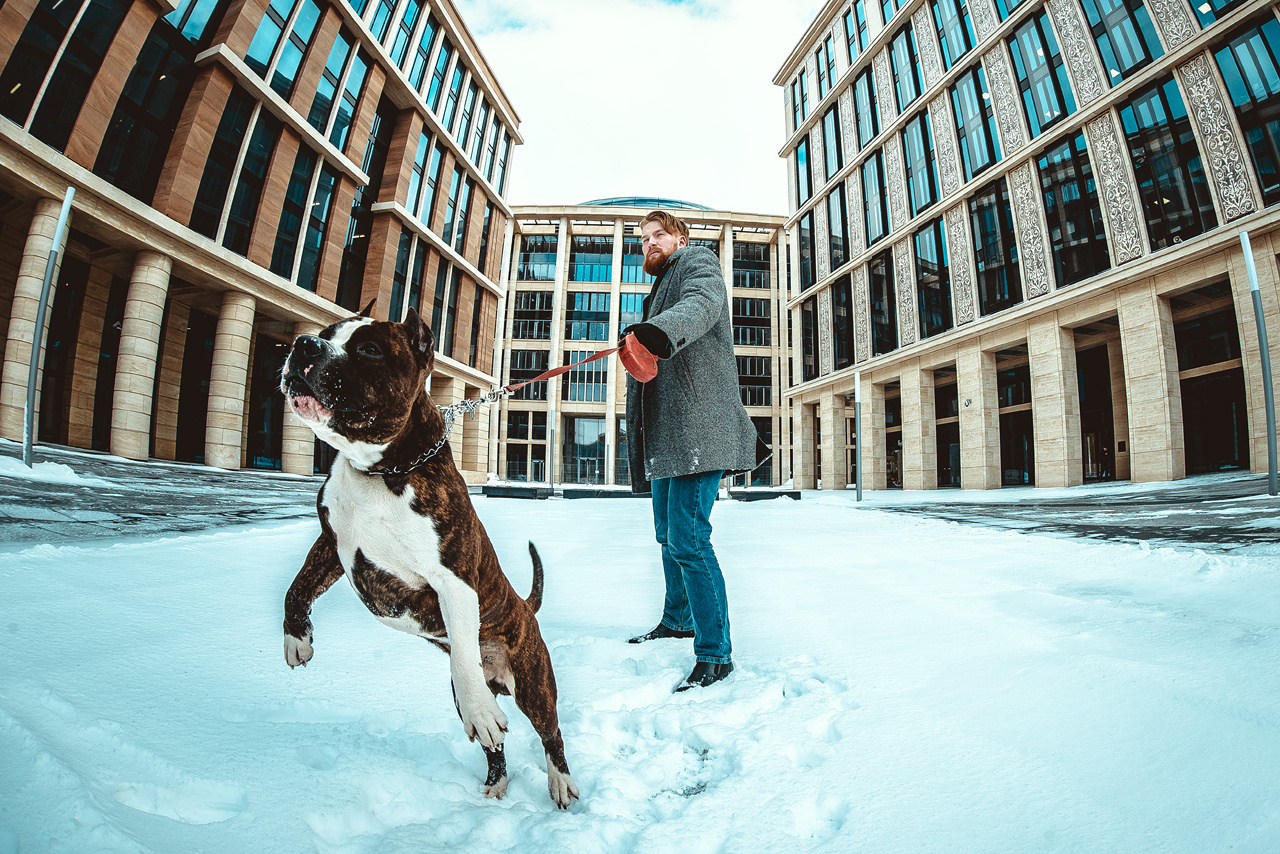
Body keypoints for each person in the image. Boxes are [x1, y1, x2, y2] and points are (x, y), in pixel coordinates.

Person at [623, 210, 759, 692]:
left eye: (659, 235)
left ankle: (715, 654)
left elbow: (702, 303)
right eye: (643, 240)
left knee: (690, 540)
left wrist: (658, 331)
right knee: (669, 536)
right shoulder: (658, 286)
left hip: (697, 432)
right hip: (666, 438)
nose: (650, 244)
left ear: (680, 238)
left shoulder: (697, 262)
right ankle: (677, 619)